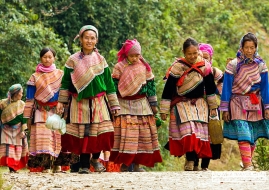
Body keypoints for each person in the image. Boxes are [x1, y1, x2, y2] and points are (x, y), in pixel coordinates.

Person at [56, 25, 120, 174]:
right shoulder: (72, 60)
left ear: (96, 40)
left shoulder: (101, 60)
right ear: (81, 39)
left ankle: (95, 160)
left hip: (99, 102)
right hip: (79, 103)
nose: (89, 41)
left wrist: (114, 104)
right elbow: (65, 82)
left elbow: (109, 84)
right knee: (83, 133)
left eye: (92, 38)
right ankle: (84, 165)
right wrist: (61, 101)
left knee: (99, 133)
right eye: (86, 38)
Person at [160, 37, 218, 171]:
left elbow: (210, 88)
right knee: (189, 131)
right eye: (189, 54)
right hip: (182, 103)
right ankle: (190, 159)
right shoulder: (178, 66)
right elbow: (168, 88)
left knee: (199, 134)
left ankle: (195, 160)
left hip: (200, 103)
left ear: (199, 51)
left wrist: (213, 107)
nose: (192, 56)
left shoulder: (205, 66)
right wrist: (164, 110)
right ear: (184, 53)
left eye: (194, 53)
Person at [109, 39, 162, 172]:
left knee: (142, 136)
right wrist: (113, 104)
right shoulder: (119, 67)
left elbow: (150, 85)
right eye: (132, 56)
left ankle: (138, 165)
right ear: (126, 54)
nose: (134, 58)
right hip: (124, 104)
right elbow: (113, 86)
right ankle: (125, 164)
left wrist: (154, 104)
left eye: (137, 55)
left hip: (142, 104)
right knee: (127, 135)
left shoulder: (144, 66)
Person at [220, 32, 269, 171]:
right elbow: (227, 88)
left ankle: (246, 162)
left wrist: (267, 107)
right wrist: (225, 109)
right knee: (244, 134)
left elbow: (265, 87)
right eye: (246, 47)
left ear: (256, 48)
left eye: (252, 47)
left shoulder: (261, 65)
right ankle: (248, 165)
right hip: (237, 102)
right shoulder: (233, 65)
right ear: (241, 47)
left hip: (255, 102)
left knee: (252, 134)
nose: (249, 50)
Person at [23, 47, 63, 173]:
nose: (47, 59)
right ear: (41, 58)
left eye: (50, 57)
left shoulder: (60, 74)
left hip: (57, 111)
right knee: (44, 139)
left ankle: (57, 165)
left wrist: (63, 106)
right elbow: (29, 98)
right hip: (40, 111)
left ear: (54, 58)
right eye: (45, 57)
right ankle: (46, 166)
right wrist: (27, 118)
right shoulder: (34, 77)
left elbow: (65, 93)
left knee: (57, 138)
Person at [193, 43, 223, 171]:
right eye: (202, 57)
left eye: (207, 57)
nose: (205, 60)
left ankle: (205, 166)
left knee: (212, 134)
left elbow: (223, 84)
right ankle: (194, 163)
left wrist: (217, 91)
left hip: (211, 107)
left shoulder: (214, 71)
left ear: (211, 58)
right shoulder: (193, 70)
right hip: (196, 106)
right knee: (197, 133)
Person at [0, 84, 28, 172]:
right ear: (16, 94)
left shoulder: (22, 104)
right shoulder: (3, 103)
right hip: (6, 129)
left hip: (18, 130)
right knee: (8, 148)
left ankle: (14, 167)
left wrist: (23, 130)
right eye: (21, 93)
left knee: (17, 148)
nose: (22, 95)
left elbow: (24, 119)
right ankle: (10, 166)